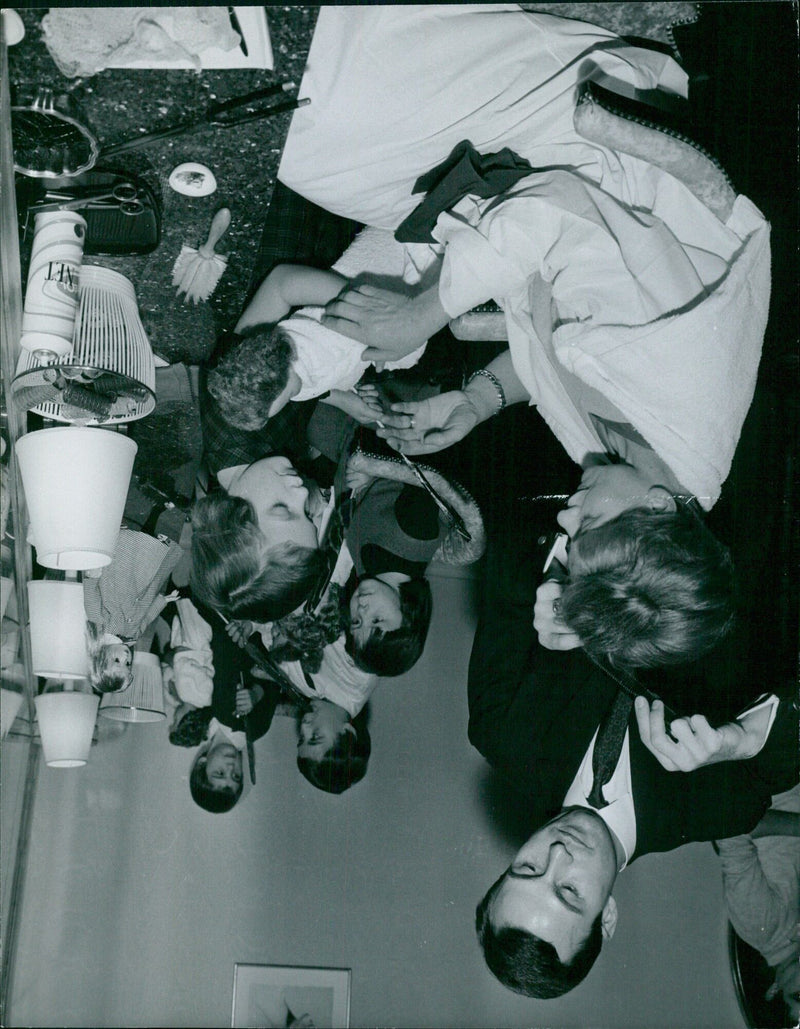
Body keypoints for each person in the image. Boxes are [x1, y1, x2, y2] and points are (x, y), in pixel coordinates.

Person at [276, 5, 768, 668]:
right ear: (659, 507)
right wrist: (425, 310)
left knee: (303, 159)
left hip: (505, 197)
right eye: (586, 525)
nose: (565, 520)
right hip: (582, 138)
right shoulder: (688, 382)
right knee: (323, 102)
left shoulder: (642, 473)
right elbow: (558, 212)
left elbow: (561, 348)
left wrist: (478, 400)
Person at [467, 500, 798, 999]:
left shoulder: (499, 729)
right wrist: (745, 737)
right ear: (609, 918)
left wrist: (553, 576)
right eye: (570, 892)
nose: (557, 854)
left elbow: (511, 551)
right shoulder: (717, 808)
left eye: (528, 868)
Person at [207, 226, 431, 431]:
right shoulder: (299, 389)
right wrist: (351, 392)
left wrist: (370, 316)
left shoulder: (268, 343)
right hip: (405, 305)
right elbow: (315, 385)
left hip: (385, 258)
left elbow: (283, 283)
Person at [715, 785, 800, 1027]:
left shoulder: (760, 925)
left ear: (775, 989)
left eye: (798, 995)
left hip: (771, 771)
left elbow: (729, 824)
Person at [82, 528, 184, 693]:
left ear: (101, 658)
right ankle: (160, 540)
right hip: (141, 588)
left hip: (118, 578)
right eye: (127, 664)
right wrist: (163, 601)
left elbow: (91, 601)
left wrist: (91, 578)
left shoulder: (101, 627)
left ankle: (125, 533)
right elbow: (146, 619)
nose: (125, 658)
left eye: (117, 661)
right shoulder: (131, 638)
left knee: (129, 551)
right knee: (152, 565)